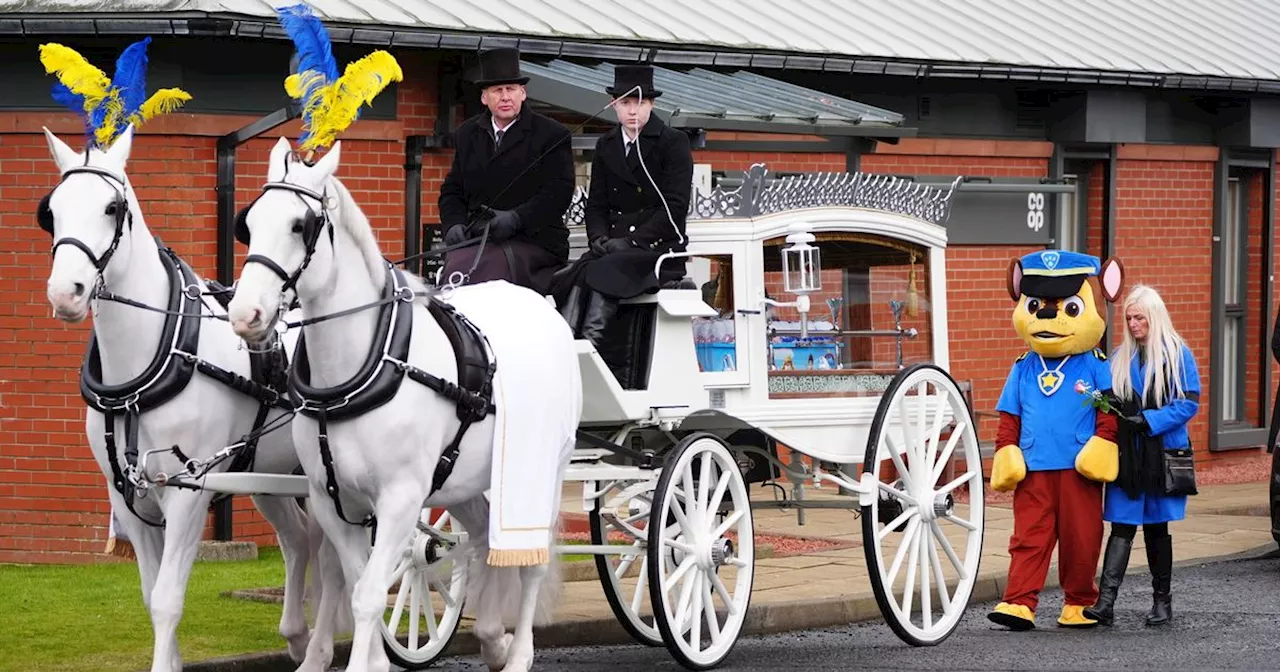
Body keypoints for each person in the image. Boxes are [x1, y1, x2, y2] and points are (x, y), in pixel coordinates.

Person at [553, 64, 694, 384]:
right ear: (614, 105)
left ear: (652, 104)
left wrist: (631, 241)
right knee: (573, 272)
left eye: (640, 103)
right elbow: (597, 204)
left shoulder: (672, 142)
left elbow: (674, 208)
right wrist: (599, 237)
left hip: (656, 249)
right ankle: (566, 345)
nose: (633, 111)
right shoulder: (607, 145)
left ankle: (588, 347)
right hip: (615, 247)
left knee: (601, 269)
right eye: (626, 103)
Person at [1084, 284, 1200, 628]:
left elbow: (1189, 403)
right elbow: (1109, 400)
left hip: (1160, 454)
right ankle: (1105, 603)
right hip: (1129, 456)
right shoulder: (1121, 356)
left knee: (1156, 529)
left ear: (1155, 316)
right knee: (1120, 527)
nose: (1134, 324)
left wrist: (1149, 419)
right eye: (1129, 318)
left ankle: (1162, 602)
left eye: (1140, 317)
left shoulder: (1179, 354)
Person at [437, 47, 575, 294]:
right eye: (497, 90)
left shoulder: (552, 134)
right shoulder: (467, 134)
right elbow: (453, 189)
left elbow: (558, 193)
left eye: (511, 89)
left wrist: (517, 218)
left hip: (535, 242)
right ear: (484, 97)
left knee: (488, 270)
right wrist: (453, 224)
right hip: (479, 239)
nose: (505, 97)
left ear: (523, 93)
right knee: (454, 270)